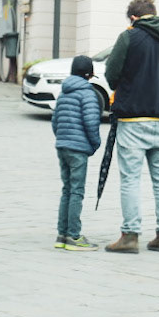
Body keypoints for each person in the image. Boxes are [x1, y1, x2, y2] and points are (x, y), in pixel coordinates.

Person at [103, 0, 159, 254]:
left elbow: (111, 74)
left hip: (133, 119)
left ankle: (130, 235)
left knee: (130, 179)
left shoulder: (129, 37)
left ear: (133, 18)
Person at [52, 55, 102, 251]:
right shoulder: (87, 93)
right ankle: (74, 235)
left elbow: (55, 121)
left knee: (67, 189)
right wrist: (95, 144)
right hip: (78, 148)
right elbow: (91, 123)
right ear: (89, 74)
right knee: (77, 191)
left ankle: (61, 234)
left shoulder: (64, 92)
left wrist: (62, 138)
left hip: (62, 145)